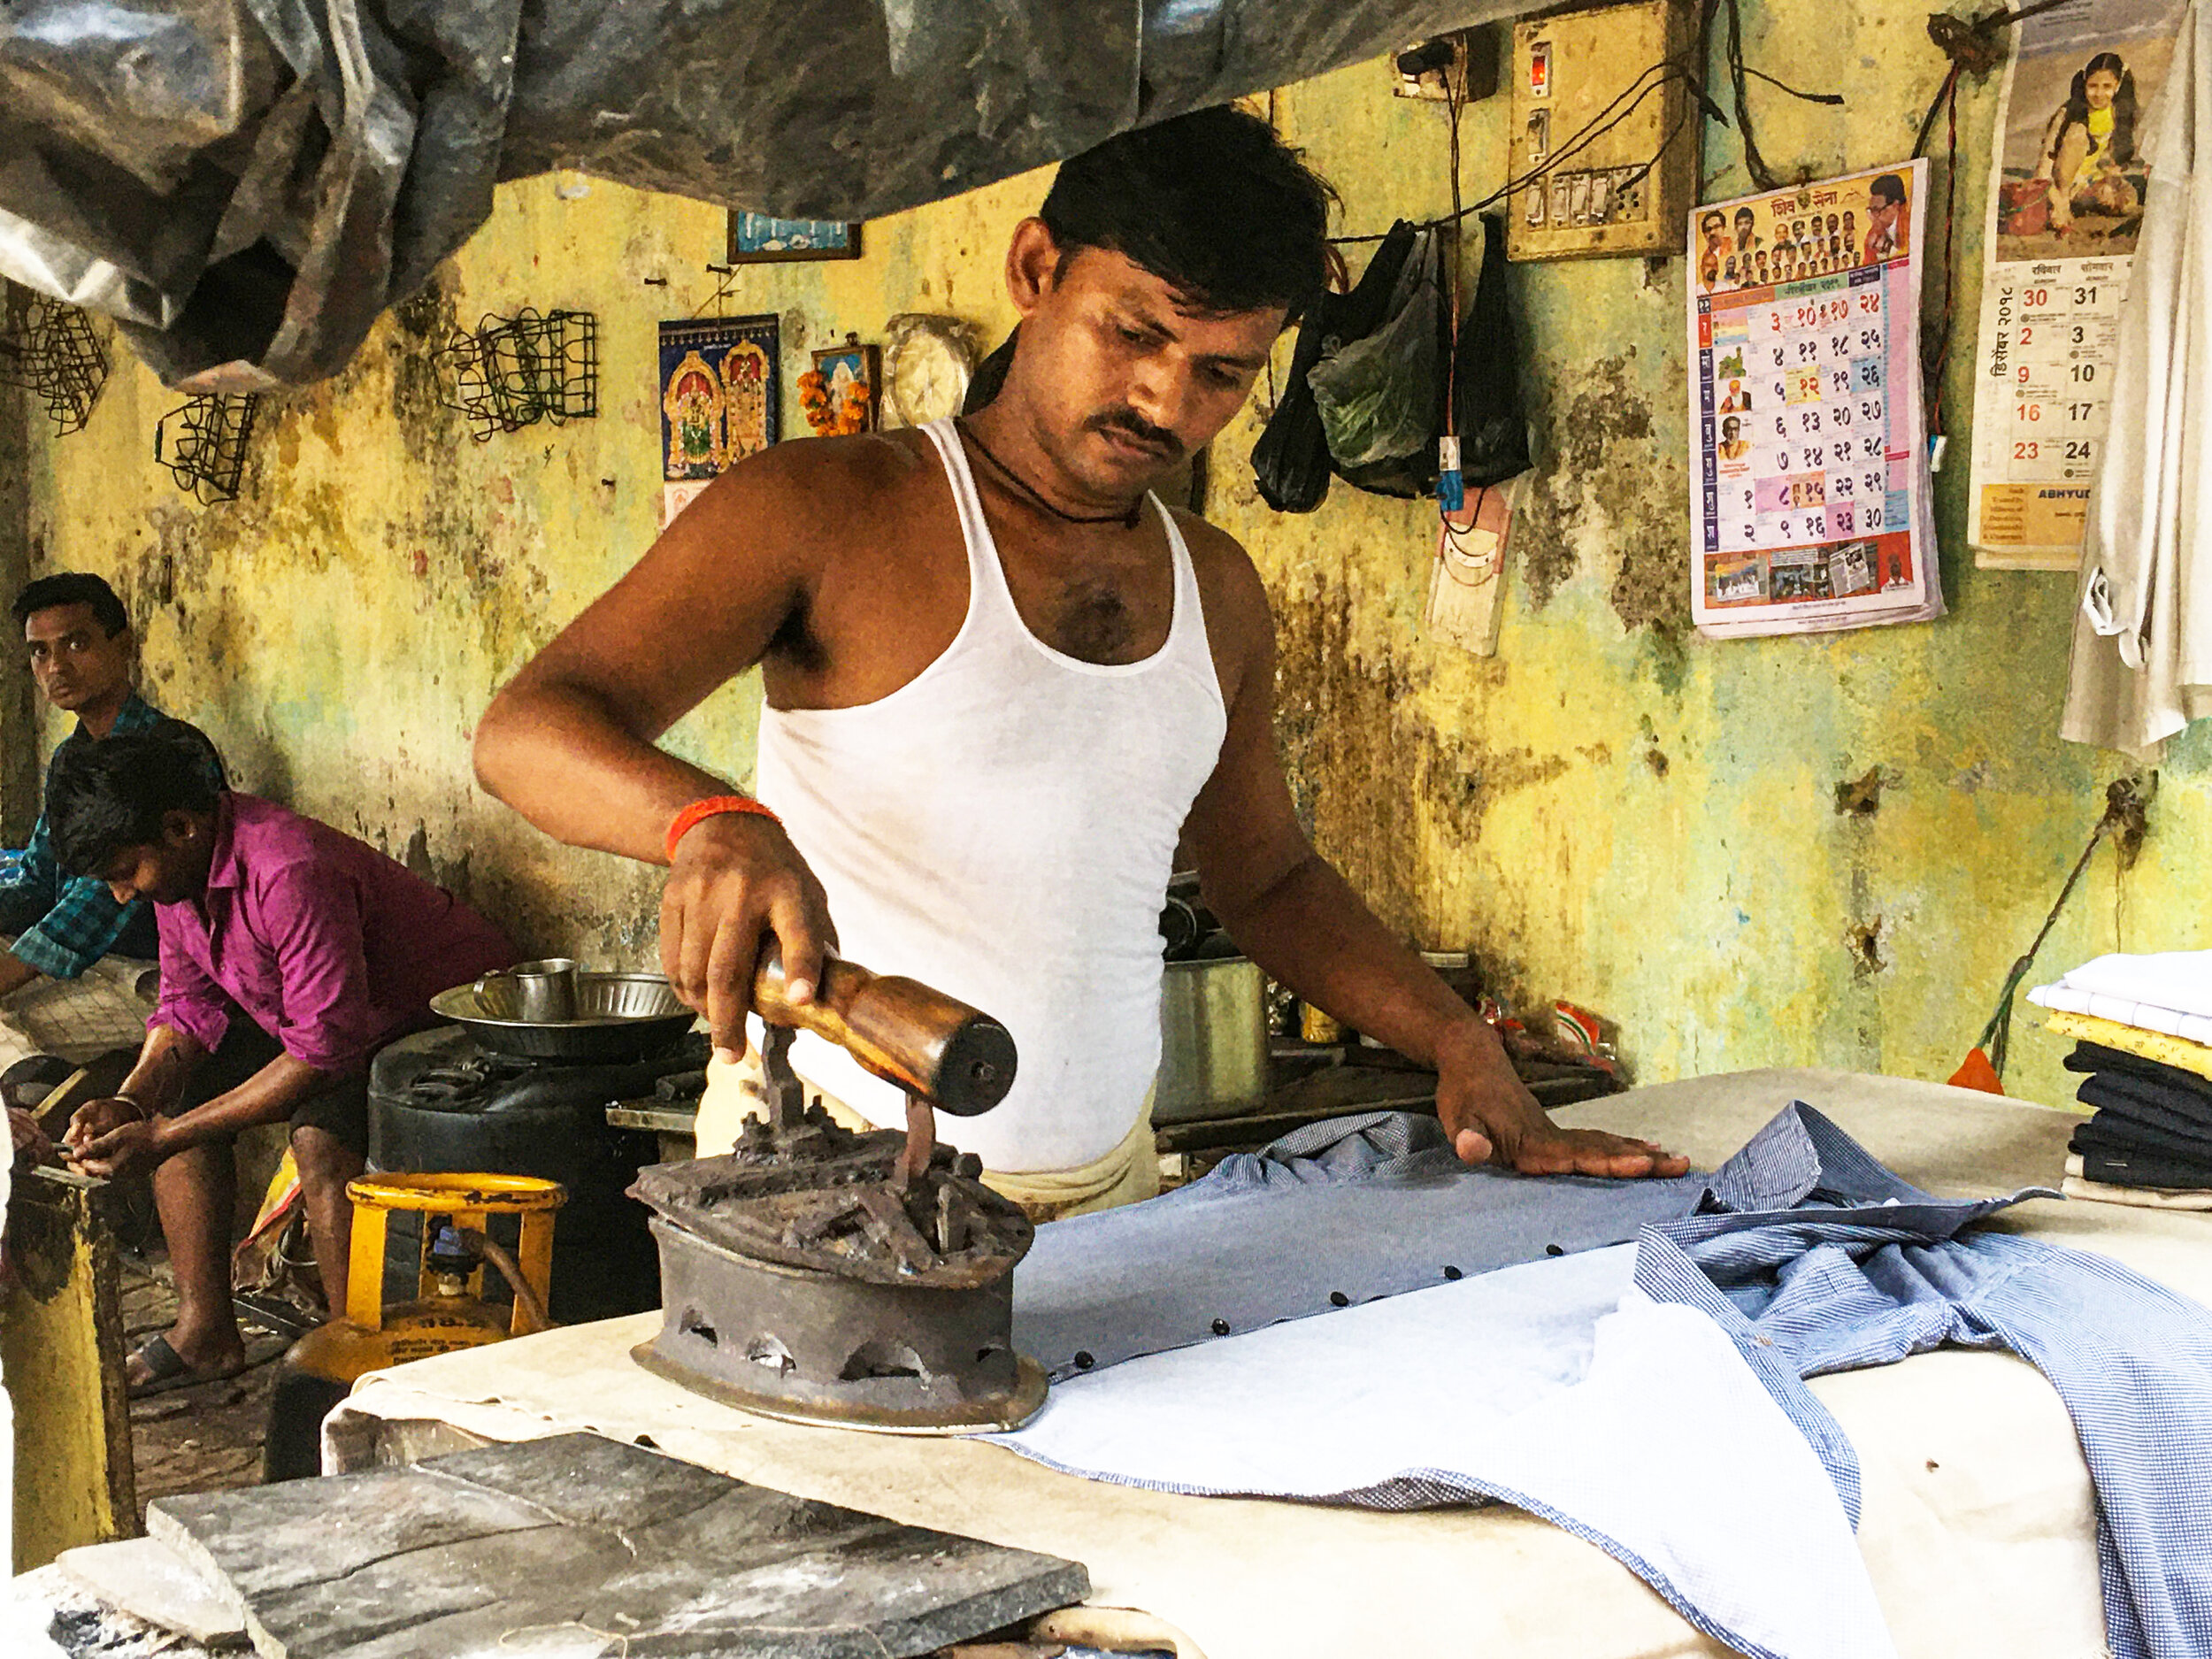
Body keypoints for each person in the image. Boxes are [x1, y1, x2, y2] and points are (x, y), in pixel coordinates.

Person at [472, 107, 1688, 1218]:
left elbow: (1265, 878)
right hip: (828, 1182)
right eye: (1134, 333)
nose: (1165, 398)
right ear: (1036, 270)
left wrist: (1457, 1040)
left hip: (1112, 1193)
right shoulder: (830, 509)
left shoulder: (1215, 587)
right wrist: (710, 822)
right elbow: (528, 728)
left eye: (1222, 372)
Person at [52, 733, 515, 1393]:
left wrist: (162, 1139)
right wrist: (132, 1101)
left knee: (319, 1136)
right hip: (324, 1017)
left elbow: (325, 1052)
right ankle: (204, 1329)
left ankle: (358, 1363)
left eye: (127, 871)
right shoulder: (178, 882)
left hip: (442, 1022)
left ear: (180, 827)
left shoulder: (287, 869)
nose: (124, 894)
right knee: (178, 1092)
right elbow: (185, 1011)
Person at [0, 575, 226, 1003]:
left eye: (76, 644)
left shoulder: (172, 750)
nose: (55, 667)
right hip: (85, 961)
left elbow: (106, 900)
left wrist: (14, 968)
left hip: (155, 969)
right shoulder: (71, 760)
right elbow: (37, 880)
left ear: (123, 645)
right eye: (39, 652)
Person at [2032, 51, 2139, 234]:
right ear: (2084, 85)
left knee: (2128, 203)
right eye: (2092, 86)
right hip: (2062, 185)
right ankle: (2065, 202)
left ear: (2118, 85)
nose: (2098, 94)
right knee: (2078, 132)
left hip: (2091, 183)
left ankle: (2084, 202)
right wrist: (2059, 201)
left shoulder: (2118, 113)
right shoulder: (2068, 114)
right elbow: (2042, 173)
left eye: (2107, 86)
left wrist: (2110, 183)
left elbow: (2114, 163)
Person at [1863, 173, 1907, 261]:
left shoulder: (1910, 223)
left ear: (1895, 206)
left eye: (1877, 210)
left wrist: (1888, 249)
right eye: (1871, 210)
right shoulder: (1873, 234)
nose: (1873, 216)